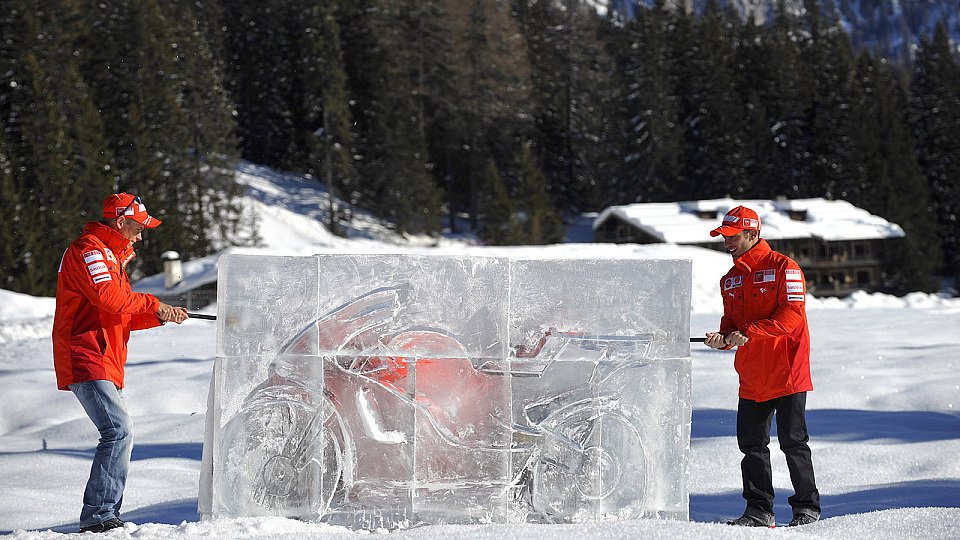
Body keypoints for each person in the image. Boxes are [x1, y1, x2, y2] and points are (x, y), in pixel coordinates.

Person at [52, 193, 189, 533]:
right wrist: (152, 303)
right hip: (86, 354)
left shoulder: (113, 257)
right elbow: (109, 299)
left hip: (105, 357)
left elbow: (121, 315)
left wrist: (160, 315)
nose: (141, 236)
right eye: (139, 227)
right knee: (118, 431)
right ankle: (99, 517)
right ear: (120, 221)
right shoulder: (89, 250)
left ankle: (102, 516)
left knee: (119, 432)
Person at [703, 205, 821, 528]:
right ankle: (758, 510)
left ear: (752, 234)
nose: (727, 242)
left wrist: (747, 333)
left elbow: (792, 315)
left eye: (732, 236)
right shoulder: (729, 281)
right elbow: (731, 324)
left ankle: (806, 508)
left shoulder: (787, 268)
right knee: (752, 445)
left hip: (787, 371)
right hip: (752, 376)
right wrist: (722, 338)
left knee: (793, 442)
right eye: (723, 237)